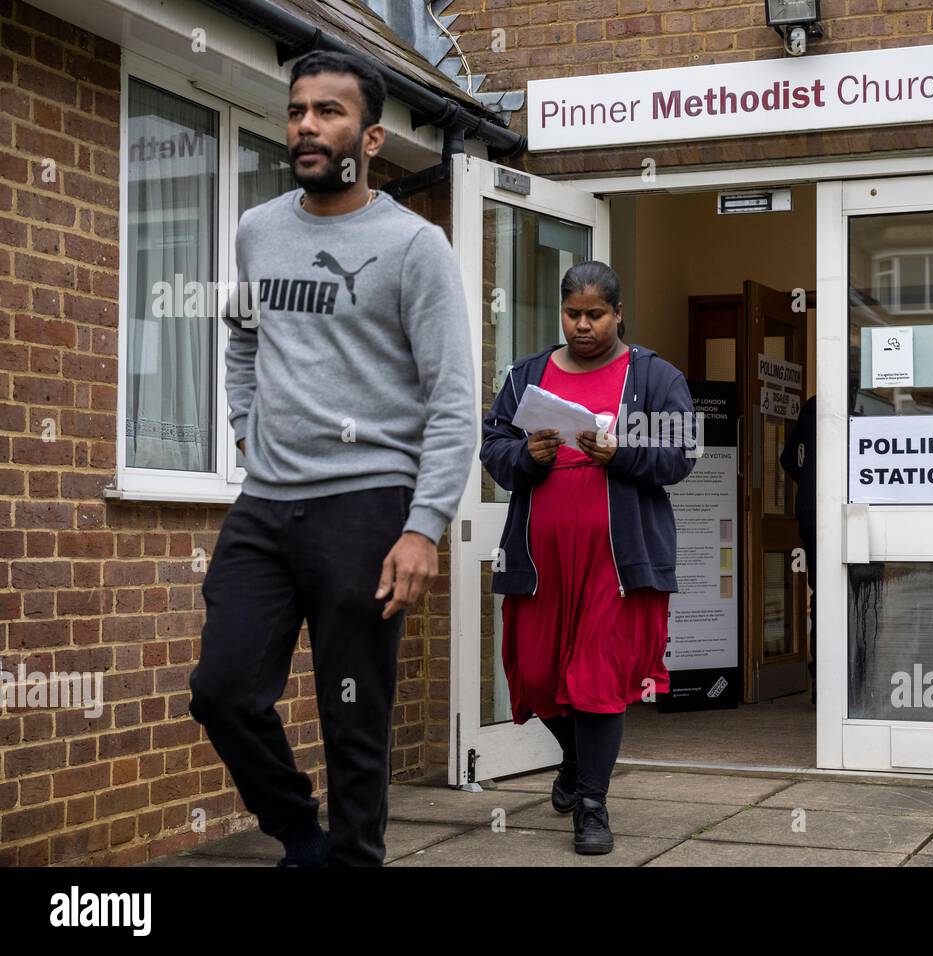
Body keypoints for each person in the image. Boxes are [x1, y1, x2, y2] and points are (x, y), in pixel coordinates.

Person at [187, 50, 477, 867]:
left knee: (354, 717)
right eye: (298, 111)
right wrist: (247, 430)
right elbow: (240, 343)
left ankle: (352, 859)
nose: (308, 126)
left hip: (366, 508)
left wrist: (424, 527)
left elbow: (453, 398)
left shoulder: (415, 247)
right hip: (266, 506)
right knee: (222, 691)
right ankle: (300, 835)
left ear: (372, 137)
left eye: (329, 113)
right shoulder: (257, 230)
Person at [480, 262, 696, 855]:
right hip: (541, 559)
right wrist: (527, 455)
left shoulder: (652, 377)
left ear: (618, 312)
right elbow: (492, 447)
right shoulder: (527, 375)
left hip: (617, 560)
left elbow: (681, 455)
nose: (582, 326)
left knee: (597, 680)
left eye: (595, 315)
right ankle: (575, 762)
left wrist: (620, 453)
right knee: (540, 674)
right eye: (573, 314)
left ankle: (593, 806)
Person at [780, 394, 817, 705]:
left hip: (811, 511)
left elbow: (788, 459)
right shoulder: (860, 406)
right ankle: (853, 680)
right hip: (836, 510)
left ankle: (822, 680)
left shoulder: (812, 408)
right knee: (853, 598)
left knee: (823, 598)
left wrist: (809, 481)